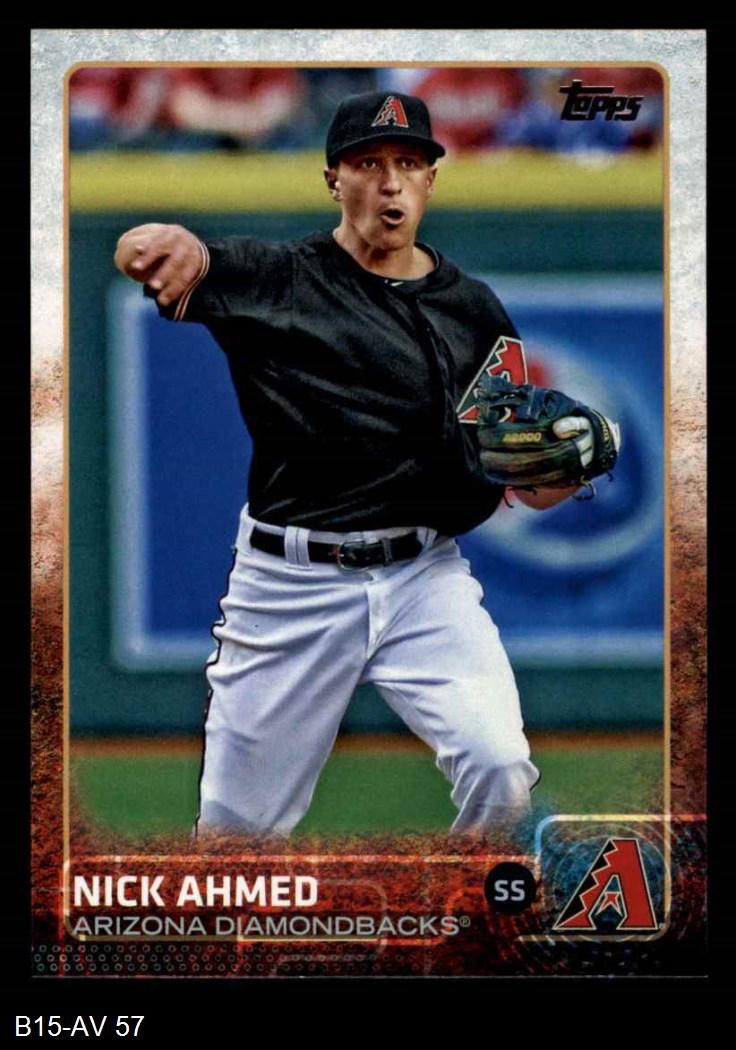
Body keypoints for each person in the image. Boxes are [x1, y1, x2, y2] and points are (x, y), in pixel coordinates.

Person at [114, 91, 580, 838]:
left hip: (422, 578)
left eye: (409, 163)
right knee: (235, 839)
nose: (390, 182)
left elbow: (524, 480)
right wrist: (157, 243)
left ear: (431, 179)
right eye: (368, 163)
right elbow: (180, 256)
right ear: (334, 179)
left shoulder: (475, 311)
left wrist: (561, 470)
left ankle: (475, 907)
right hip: (289, 587)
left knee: (499, 766)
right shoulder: (280, 279)